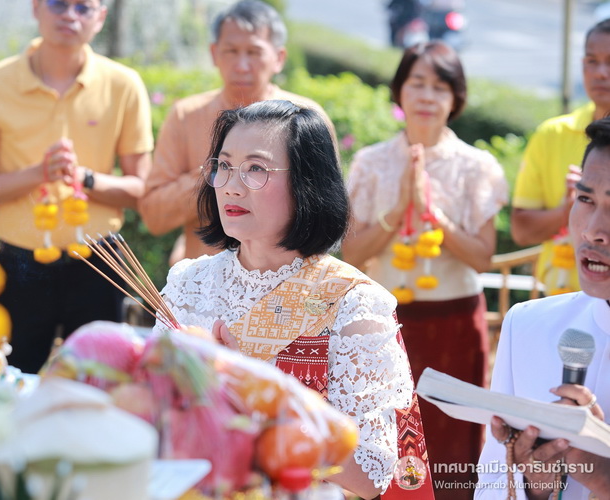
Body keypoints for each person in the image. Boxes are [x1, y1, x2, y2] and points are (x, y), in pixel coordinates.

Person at [157, 99, 434, 499]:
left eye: (256, 168)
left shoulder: (353, 303)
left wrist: (255, 393)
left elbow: (370, 474)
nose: (232, 185)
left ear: (307, 183)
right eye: (224, 165)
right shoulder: (188, 283)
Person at [341, 41, 508, 496]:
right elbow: (351, 254)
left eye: (440, 86)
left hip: (455, 322)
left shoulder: (477, 167)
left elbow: (482, 257)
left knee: (455, 445)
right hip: (386, 323)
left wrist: (434, 215)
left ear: (456, 98)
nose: (427, 97)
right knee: (389, 439)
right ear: (399, 91)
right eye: (417, 83)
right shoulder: (372, 162)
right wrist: (399, 209)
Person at [0, 0, 153, 374]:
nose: (69, 15)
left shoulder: (124, 84)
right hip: (21, 264)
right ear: (36, 7)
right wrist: (39, 173)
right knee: (12, 379)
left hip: (100, 261)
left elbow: (140, 190)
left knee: (99, 383)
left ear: (101, 17)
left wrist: (85, 178)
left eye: (83, 7)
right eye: (58, 3)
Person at [139, 0, 333, 265]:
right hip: (208, 284)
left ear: (279, 58)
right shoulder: (186, 116)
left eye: (254, 52)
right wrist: (214, 174)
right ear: (214, 54)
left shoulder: (305, 119)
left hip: (286, 278)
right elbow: (154, 216)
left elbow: (325, 211)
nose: (242, 65)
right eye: (231, 51)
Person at [475, 117, 610, 500]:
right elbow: (490, 486)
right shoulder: (529, 326)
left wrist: (603, 478)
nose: (593, 230)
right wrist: (535, 487)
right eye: (585, 199)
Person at [510, 19, 610, 295]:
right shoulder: (551, 134)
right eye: (592, 61)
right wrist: (567, 211)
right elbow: (521, 231)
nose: (601, 73)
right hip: (560, 299)